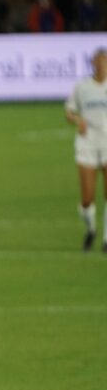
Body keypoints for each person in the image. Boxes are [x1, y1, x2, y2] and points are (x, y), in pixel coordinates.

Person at [65, 47, 107, 252]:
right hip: (87, 143)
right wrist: (77, 120)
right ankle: (91, 229)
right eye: (97, 61)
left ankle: (106, 240)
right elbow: (69, 111)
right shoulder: (82, 87)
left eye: (104, 61)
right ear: (92, 64)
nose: (101, 65)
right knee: (87, 198)